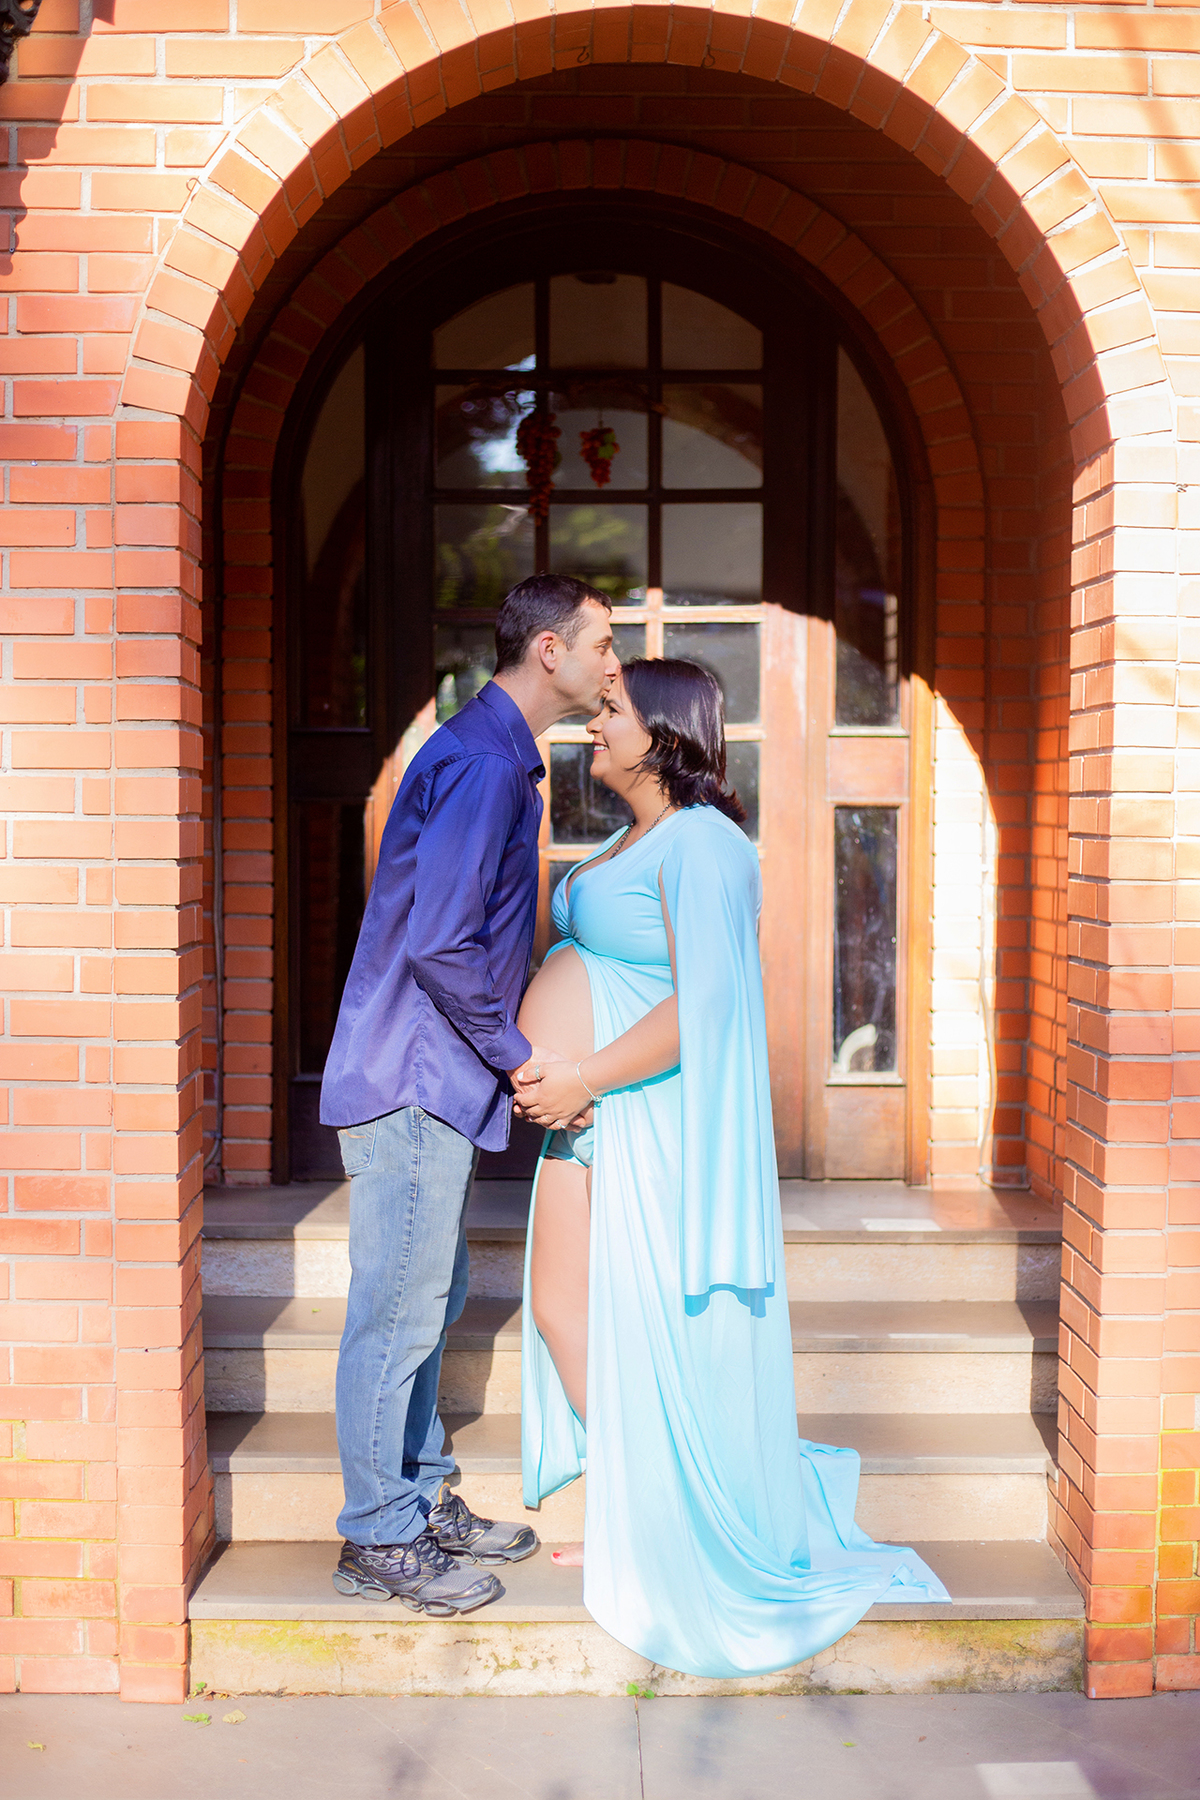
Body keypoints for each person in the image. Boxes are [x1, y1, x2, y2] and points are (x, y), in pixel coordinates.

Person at [514, 659, 949, 1677]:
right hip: (593, 1116)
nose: (592, 726)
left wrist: (580, 1075)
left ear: (666, 732)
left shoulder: (706, 846)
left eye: (611, 711)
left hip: (644, 1116)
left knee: (627, 1321)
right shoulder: (636, 838)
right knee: (561, 1312)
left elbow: (704, 1002)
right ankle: (639, 1513)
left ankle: (669, 1533)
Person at [320, 573, 619, 1615]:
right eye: (601, 646)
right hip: (414, 1076)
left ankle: (420, 1494)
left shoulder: (496, 756)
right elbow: (442, 944)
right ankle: (378, 1539)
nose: (610, 667)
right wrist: (520, 1059)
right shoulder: (487, 766)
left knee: (430, 1298)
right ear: (548, 651)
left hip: (433, 1076)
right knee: (396, 1313)